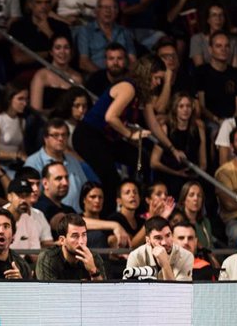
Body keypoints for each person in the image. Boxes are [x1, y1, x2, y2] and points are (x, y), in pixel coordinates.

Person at [72, 55, 183, 216]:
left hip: (107, 138)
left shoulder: (143, 96)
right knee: (110, 177)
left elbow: (153, 125)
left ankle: (142, 211)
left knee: (143, 160)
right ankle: (109, 218)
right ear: (147, 74)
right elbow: (110, 117)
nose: (158, 83)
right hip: (89, 135)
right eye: (157, 78)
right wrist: (130, 134)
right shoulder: (128, 87)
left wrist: (172, 149)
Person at [151, 91, 207, 196]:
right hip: (169, 176)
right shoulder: (165, 128)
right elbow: (154, 162)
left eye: (188, 106)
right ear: (175, 108)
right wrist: (177, 173)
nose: (185, 110)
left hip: (190, 176)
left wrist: (194, 174)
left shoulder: (199, 127)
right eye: (181, 106)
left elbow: (203, 163)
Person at [26, 119, 89, 212]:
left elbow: (85, 188)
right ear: (45, 138)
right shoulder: (33, 162)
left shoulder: (73, 160)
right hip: (49, 217)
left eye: (64, 135)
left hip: (78, 215)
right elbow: (32, 196)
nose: (61, 139)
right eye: (55, 135)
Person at [36, 213, 105, 281]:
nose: (81, 241)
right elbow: (49, 291)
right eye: (75, 236)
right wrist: (80, 288)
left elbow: (104, 290)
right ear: (62, 240)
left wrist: (93, 271)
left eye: (84, 235)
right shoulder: (48, 258)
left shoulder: (93, 257)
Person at [77, 0, 136, 73]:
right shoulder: (85, 31)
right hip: (96, 77)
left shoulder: (124, 32)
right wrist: (104, 77)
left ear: (117, 11)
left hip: (121, 77)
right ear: (97, 10)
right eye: (104, 7)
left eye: (112, 7)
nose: (108, 11)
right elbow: (84, 62)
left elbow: (133, 61)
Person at [126, 216, 193, 281]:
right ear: (148, 240)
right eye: (158, 238)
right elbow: (130, 290)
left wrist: (165, 264)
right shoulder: (135, 256)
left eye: (168, 235)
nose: (164, 242)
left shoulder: (186, 256)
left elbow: (177, 291)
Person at [29, 35, 83, 113]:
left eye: (66, 48)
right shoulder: (41, 75)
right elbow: (35, 111)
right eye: (58, 48)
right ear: (51, 52)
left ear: (71, 51)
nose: (62, 52)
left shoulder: (77, 78)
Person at [0, 82, 28, 164]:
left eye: (26, 99)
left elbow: (22, 149)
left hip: (16, 164)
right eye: (20, 99)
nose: (25, 103)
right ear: (9, 99)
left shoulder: (21, 121)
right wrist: (15, 155)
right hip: (0, 164)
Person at [190, 4, 237, 68]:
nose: (218, 19)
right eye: (214, 15)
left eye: (221, 15)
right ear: (208, 19)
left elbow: (235, 67)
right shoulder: (197, 39)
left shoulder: (234, 40)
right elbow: (200, 67)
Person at [5, 178, 41, 263]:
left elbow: (35, 255)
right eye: (20, 195)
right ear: (9, 197)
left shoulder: (30, 220)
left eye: (27, 195)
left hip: (20, 268)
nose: (24, 200)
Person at [177, 181, 214, 250]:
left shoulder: (205, 222)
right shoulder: (177, 221)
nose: (196, 199)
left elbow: (210, 248)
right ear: (184, 199)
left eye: (199, 196)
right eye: (191, 195)